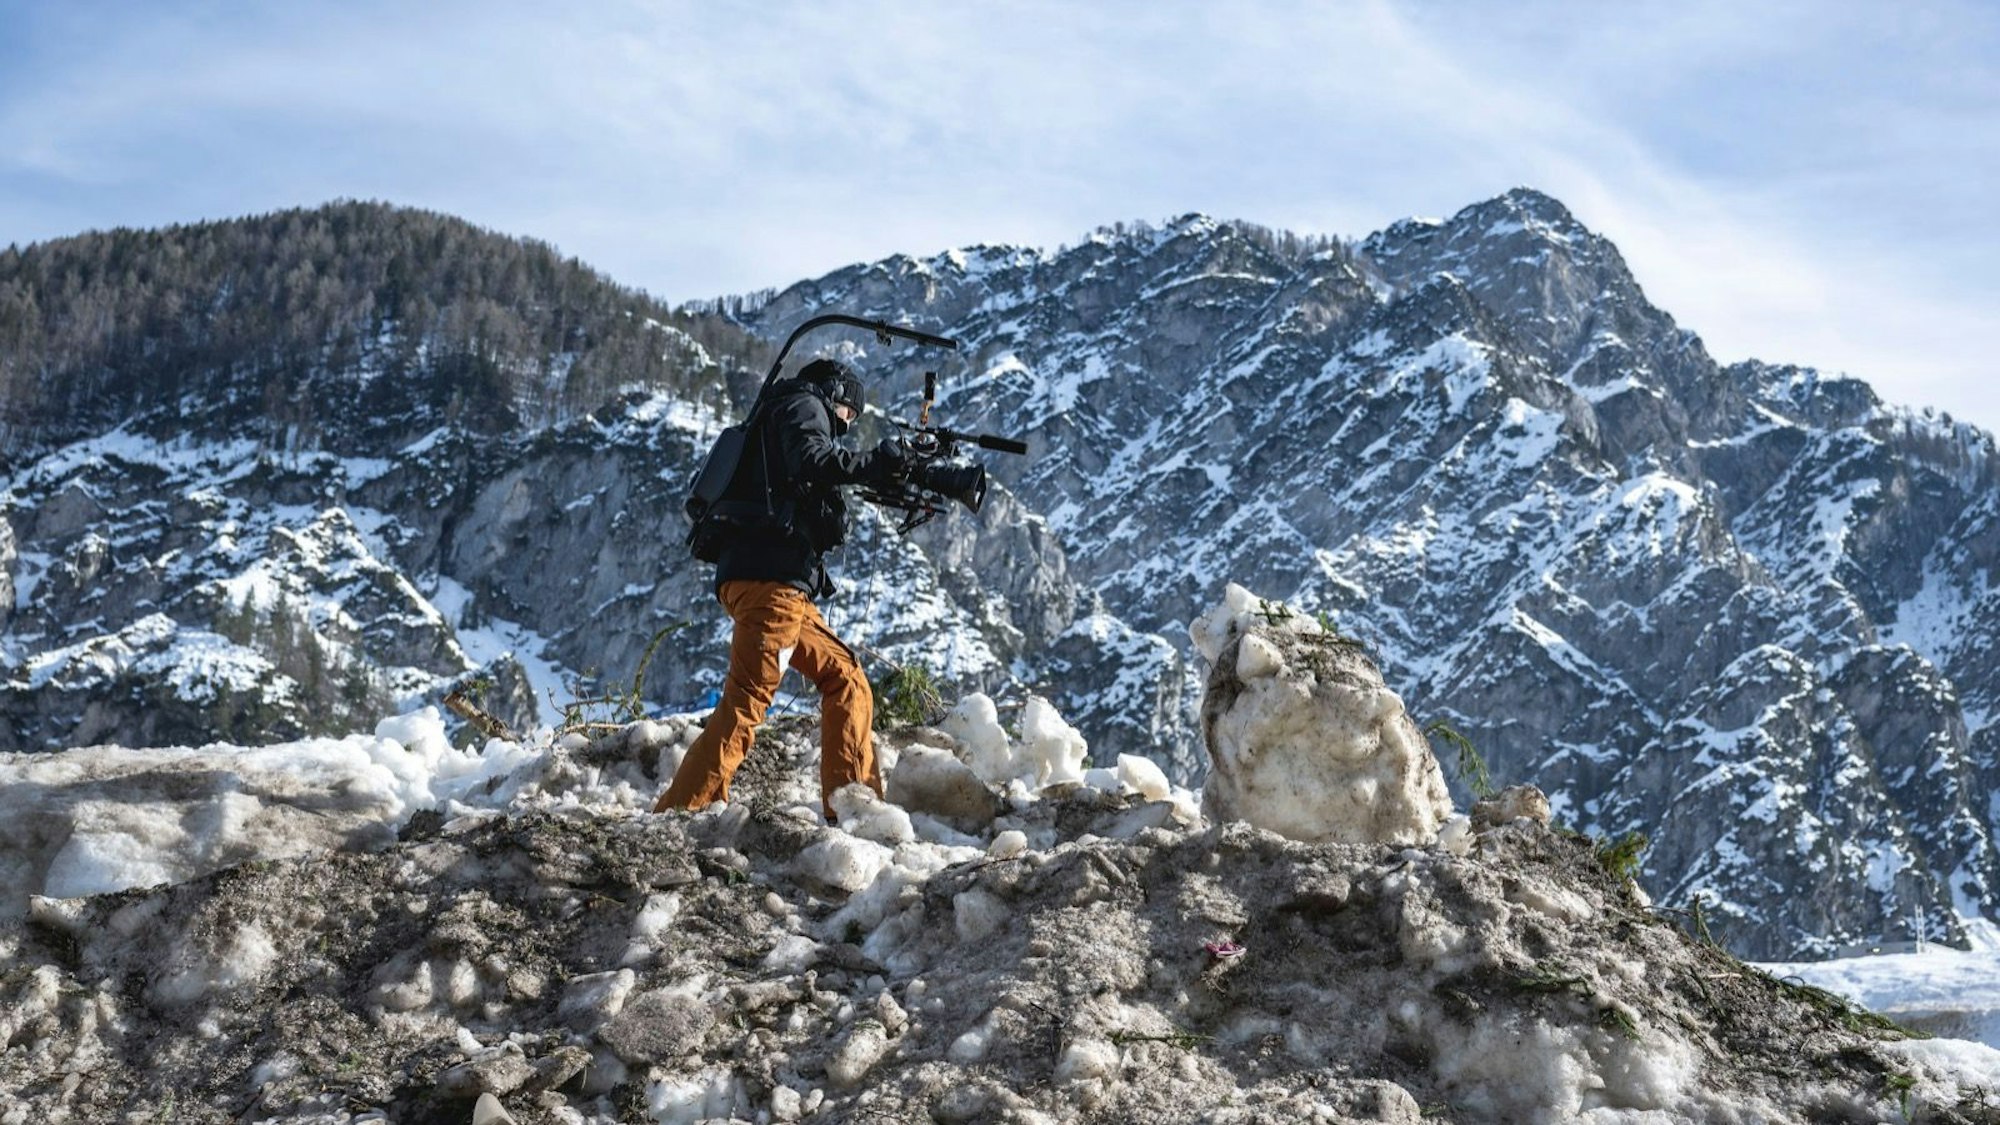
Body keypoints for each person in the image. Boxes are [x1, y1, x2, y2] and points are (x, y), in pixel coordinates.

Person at [655, 358, 909, 821]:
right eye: (849, 414)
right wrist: (873, 463)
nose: (846, 426)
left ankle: (855, 810)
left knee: (846, 679)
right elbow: (812, 459)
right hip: (771, 587)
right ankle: (677, 816)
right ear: (836, 394)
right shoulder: (802, 403)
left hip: (772, 586)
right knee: (746, 702)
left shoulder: (778, 413)